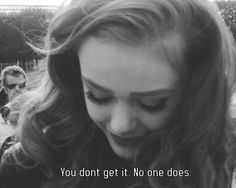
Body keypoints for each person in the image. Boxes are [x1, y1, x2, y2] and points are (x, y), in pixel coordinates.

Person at [1, 0, 236, 188]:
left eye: (152, 103)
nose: (121, 125)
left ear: (196, 91)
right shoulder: (26, 167)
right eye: (97, 96)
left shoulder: (213, 148)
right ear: (73, 77)